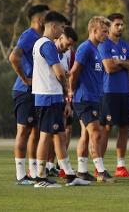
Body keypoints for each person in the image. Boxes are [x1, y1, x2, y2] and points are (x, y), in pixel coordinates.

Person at [31, 11, 89, 188]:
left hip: (52, 97)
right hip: (47, 96)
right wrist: (66, 85)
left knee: (59, 136)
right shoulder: (47, 45)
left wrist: (64, 97)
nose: (62, 31)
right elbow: (59, 73)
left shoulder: (43, 44)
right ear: (54, 26)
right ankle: (40, 178)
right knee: (46, 136)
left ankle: (70, 176)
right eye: (62, 27)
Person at [69, 16, 113, 183]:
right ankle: (101, 171)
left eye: (108, 32)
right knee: (96, 133)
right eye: (104, 31)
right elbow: (74, 72)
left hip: (95, 98)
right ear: (94, 30)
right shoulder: (85, 48)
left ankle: (81, 171)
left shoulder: (98, 49)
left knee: (86, 136)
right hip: (84, 98)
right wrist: (72, 91)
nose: (107, 35)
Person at [8, 4, 49, 184]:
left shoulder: (42, 38)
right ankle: (20, 174)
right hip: (24, 91)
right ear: (39, 19)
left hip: (37, 91)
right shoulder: (28, 35)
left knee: (36, 131)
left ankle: (33, 172)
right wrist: (25, 79)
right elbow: (13, 57)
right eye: (47, 17)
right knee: (23, 130)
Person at [98, 13, 129, 177]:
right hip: (109, 92)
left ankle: (120, 166)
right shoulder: (103, 44)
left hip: (125, 92)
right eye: (117, 25)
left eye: (122, 24)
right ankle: (99, 165)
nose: (120, 27)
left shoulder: (126, 45)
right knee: (106, 128)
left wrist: (120, 62)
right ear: (110, 26)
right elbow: (108, 68)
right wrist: (125, 64)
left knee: (124, 128)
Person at [54, 25, 78, 178]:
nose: (67, 47)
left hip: (62, 96)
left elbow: (69, 75)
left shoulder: (68, 53)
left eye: (70, 45)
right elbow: (59, 75)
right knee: (49, 134)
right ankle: (38, 168)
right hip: (47, 97)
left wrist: (68, 99)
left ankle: (57, 166)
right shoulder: (48, 48)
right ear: (60, 37)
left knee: (65, 131)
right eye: (67, 44)